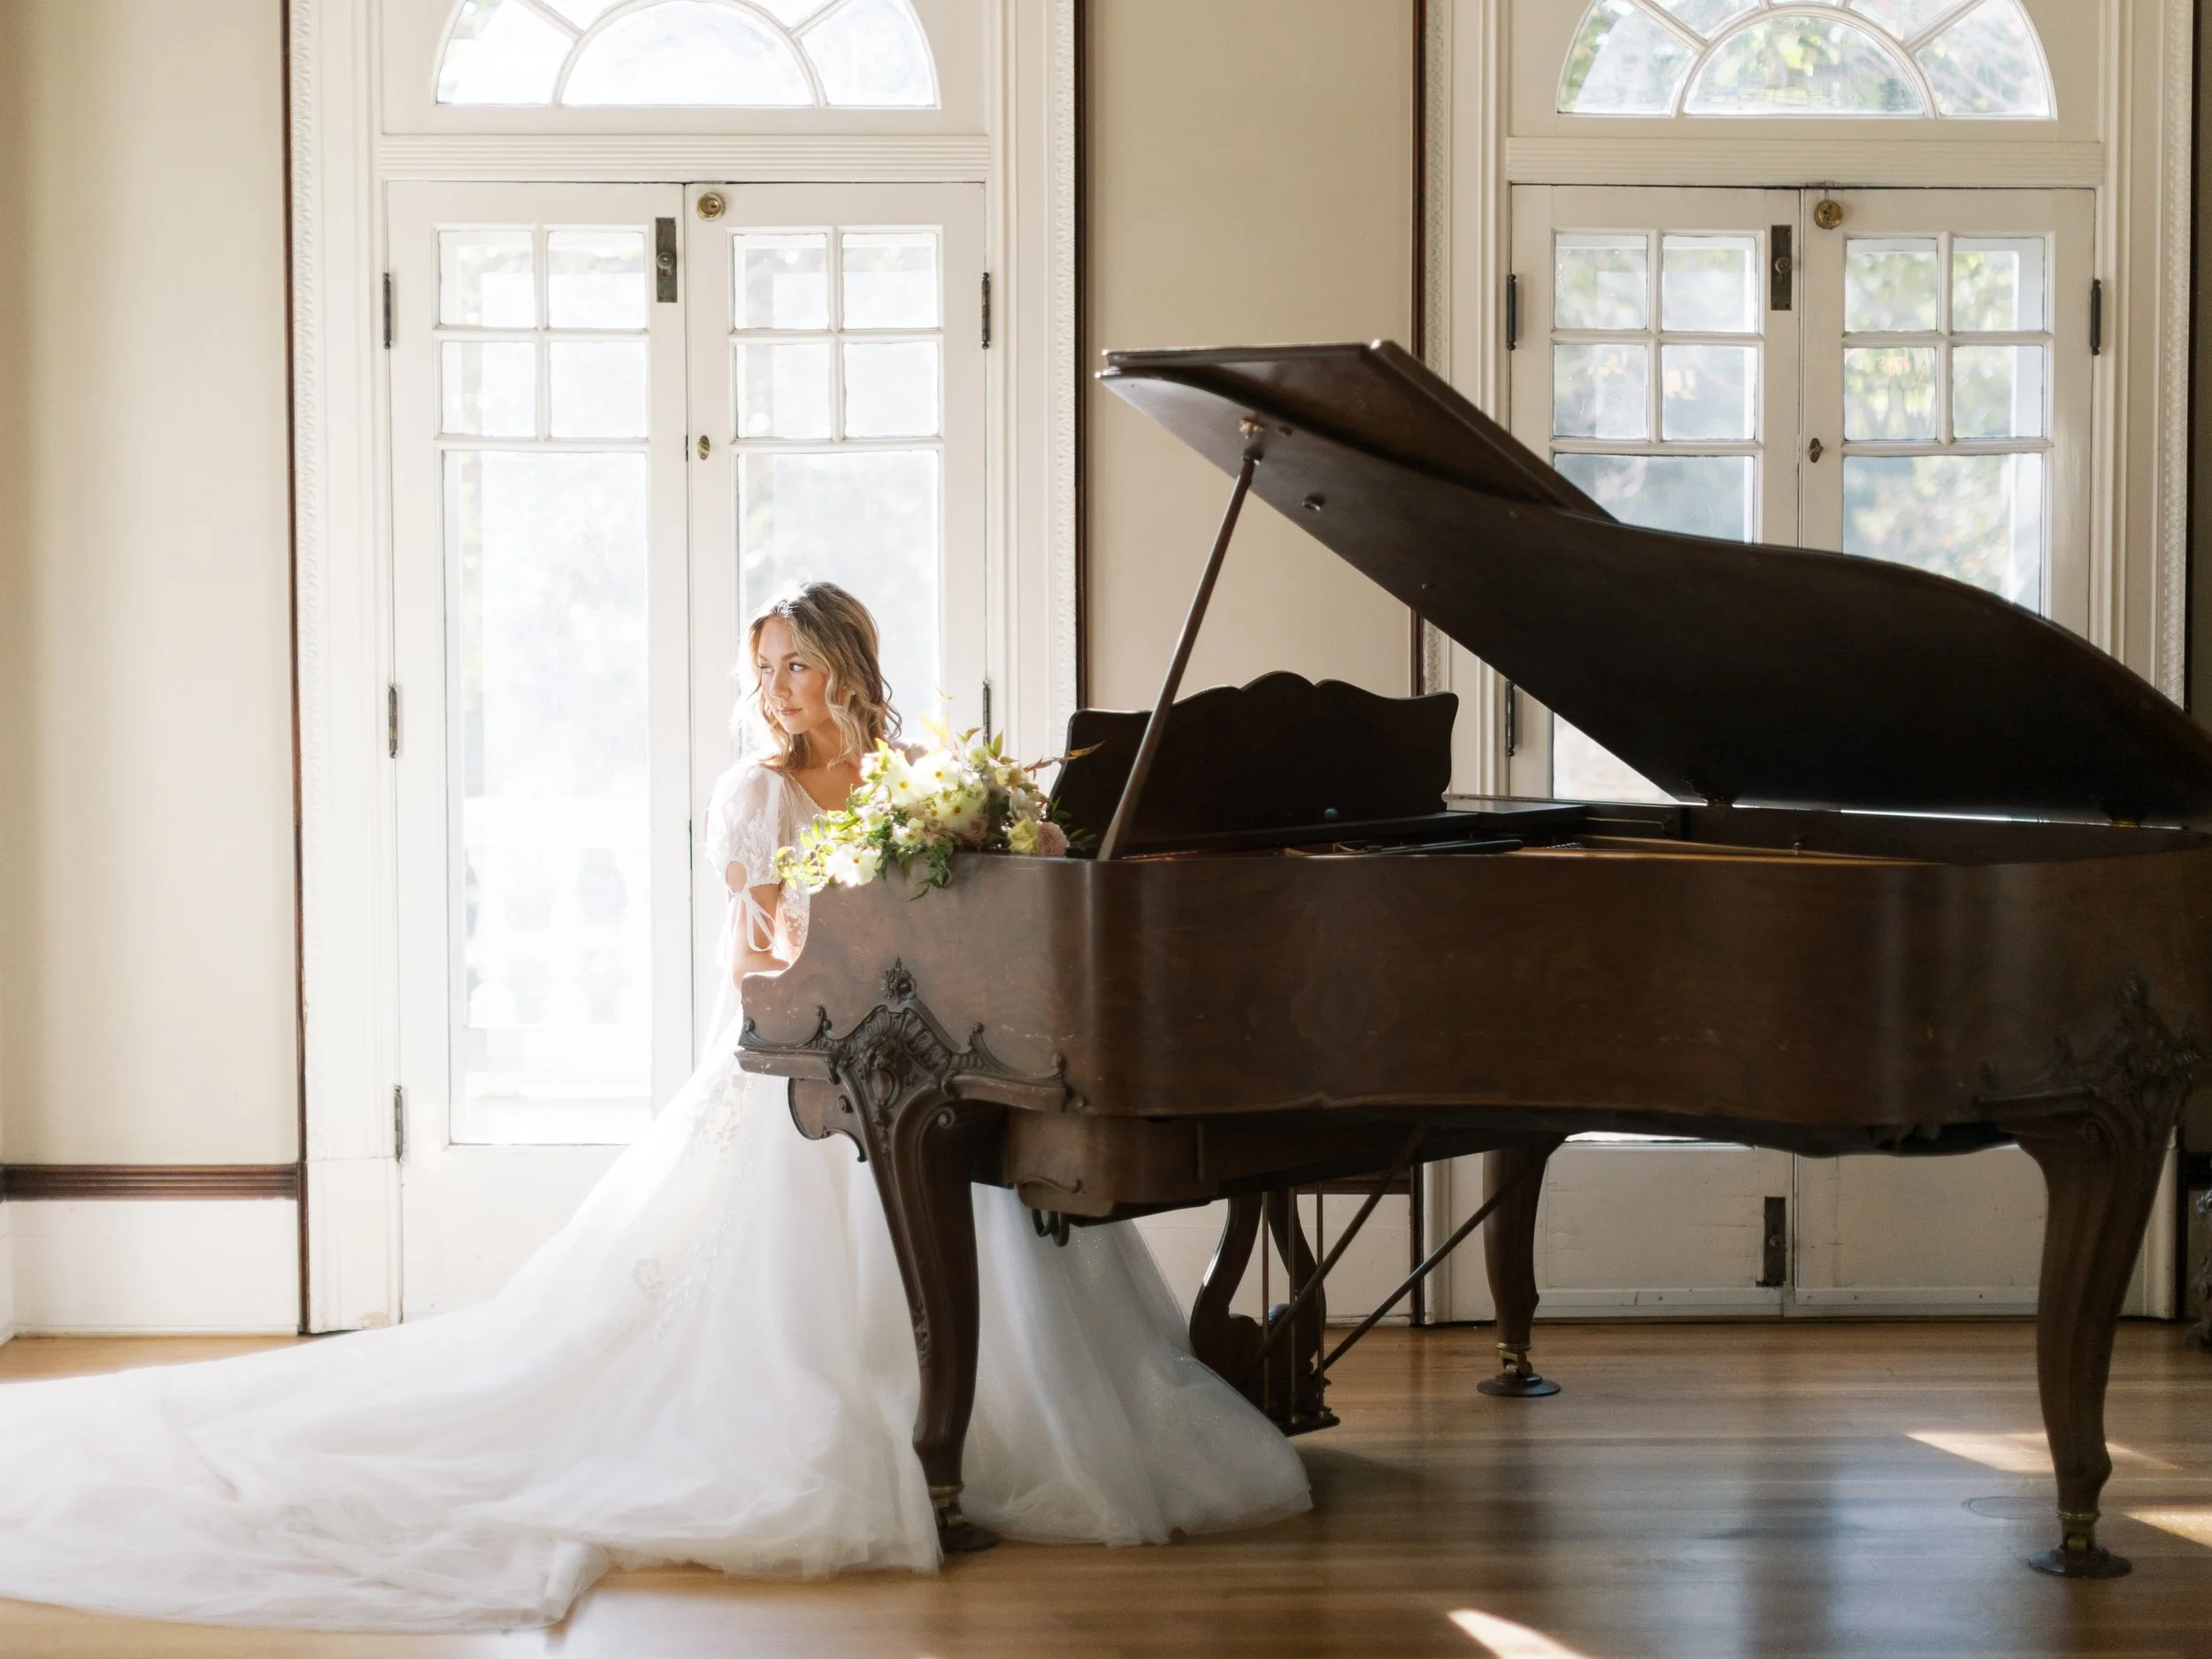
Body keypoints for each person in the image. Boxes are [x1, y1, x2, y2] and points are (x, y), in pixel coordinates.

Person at [0, 581, 1310, 1632]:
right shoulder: (757, 793)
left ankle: (1002, 1424)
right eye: (764, 670)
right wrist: (835, 954)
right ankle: (913, 1439)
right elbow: (749, 964)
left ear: (849, 665)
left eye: (796, 663)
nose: (775, 689)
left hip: (936, 1058)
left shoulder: (921, 782)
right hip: (805, 1056)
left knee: (1002, 1199)